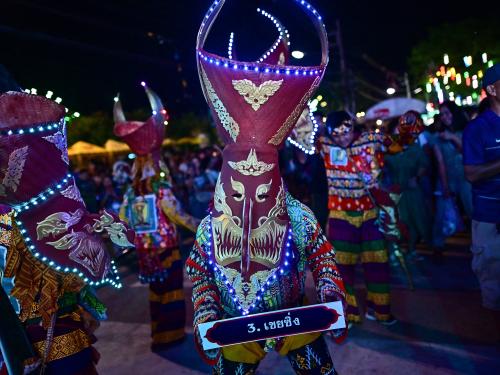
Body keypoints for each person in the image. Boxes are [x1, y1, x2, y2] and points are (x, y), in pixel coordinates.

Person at [187, 4, 346, 374]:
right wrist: (207, 313)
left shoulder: (297, 215)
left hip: (293, 320)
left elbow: (323, 257)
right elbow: (200, 275)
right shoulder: (211, 227)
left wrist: (328, 292)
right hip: (236, 329)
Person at [0, 91, 134, 375]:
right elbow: (91, 276)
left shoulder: (28, 217)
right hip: (60, 344)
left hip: (21, 352)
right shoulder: (54, 211)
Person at [114, 84, 200, 349]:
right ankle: (171, 335)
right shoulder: (159, 188)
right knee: (171, 289)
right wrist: (200, 225)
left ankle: (157, 334)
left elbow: (122, 219)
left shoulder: (131, 191)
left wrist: (122, 242)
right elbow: (175, 213)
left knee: (155, 291)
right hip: (166, 247)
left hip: (145, 249)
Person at [320, 110, 396, 326]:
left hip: (370, 212)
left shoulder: (371, 140)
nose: (342, 138)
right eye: (337, 135)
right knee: (342, 267)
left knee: (378, 262)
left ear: (353, 127)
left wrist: (407, 127)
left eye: (345, 132)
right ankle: (348, 313)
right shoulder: (324, 145)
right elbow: (299, 140)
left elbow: (397, 144)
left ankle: (380, 310)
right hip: (340, 213)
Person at [463, 63, 500, 311]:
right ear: (492, 89)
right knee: (494, 287)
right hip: (491, 220)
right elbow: (472, 174)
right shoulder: (477, 128)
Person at [384, 111, 431, 259]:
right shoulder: (387, 151)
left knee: (416, 220)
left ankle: (412, 249)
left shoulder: (414, 148)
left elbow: (424, 164)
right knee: (395, 222)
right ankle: (393, 250)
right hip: (392, 192)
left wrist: (416, 177)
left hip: (411, 191)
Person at [432, 101, 473, 253]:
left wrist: (454, 138)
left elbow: (471, 153)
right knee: (441, 213)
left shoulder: (468, 131)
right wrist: (445, 185)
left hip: (467, 178)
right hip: (447, 178)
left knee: (473, 211)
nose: (444, 117)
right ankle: (437, 246)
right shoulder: (437, 138)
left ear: (454, 114)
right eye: (441, 114)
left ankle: (480, 242)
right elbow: (440, 162)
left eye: (447, 113)